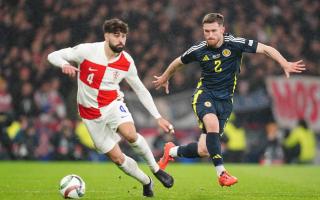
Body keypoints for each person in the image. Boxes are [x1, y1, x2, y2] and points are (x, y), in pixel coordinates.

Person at [153, 13, 306, 187]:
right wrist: (165, 76)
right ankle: (222, 174)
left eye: (213, 31)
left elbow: (266, 49)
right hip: (205, 95)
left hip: (225, 102)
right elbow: (178, 62)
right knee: (212, 124)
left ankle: (171, 151)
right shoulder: (199, 49)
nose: (209, 35)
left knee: (204, 149)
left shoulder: (235, 44)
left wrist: (284, 62)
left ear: (222, 30)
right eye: (206, 31)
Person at [48, 18, 174, 197]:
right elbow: (52, 55)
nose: (121, 39)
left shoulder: (126, 61)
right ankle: (146, 181)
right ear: (106, 36)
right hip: (89, 114)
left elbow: (140, 89)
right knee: (117, 158)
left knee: (130, 134)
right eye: (116, 35)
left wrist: (157, 116)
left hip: (112, 104)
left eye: (123, 36)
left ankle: (156, 169)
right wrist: (64, 64)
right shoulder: (87, 51)